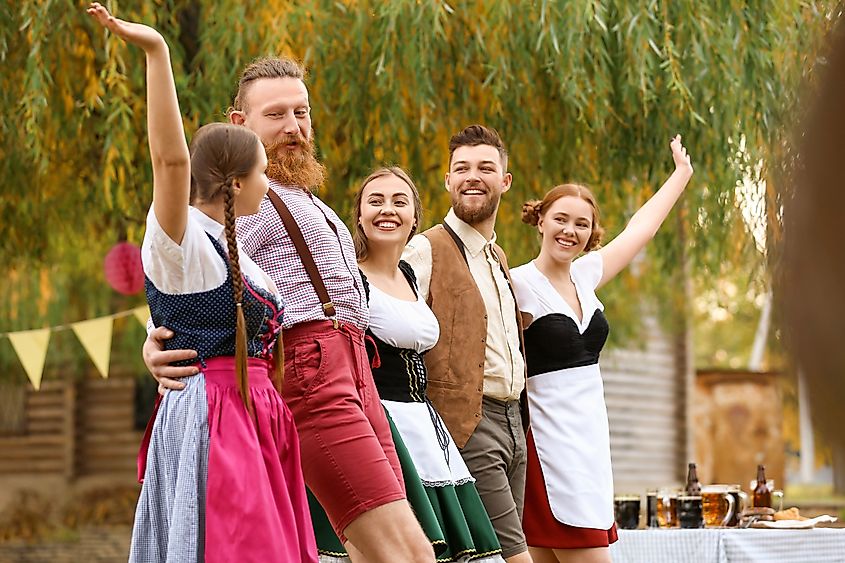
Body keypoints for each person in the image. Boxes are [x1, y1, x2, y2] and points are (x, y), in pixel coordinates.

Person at [141, 56, 434, 562]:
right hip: (307, 371)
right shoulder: (242, 199)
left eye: (301, 113)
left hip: (357, 369)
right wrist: (155, 338)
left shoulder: (307, 198)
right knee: (407, 552)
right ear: (240, 125)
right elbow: (190, 276)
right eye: (276, 115)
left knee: (373, 547)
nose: (293, 127)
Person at [86, 4, 317, 562]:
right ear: (235, 183)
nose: (269, 181)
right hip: (215, 416)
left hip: (257, 412)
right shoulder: (181, 246)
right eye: (261, 172)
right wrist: (156, 51)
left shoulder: (235, 253)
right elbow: (169, 161)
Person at [511, 136, 693, 563]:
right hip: (547, 441)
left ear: (591, 233)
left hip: (590, 440)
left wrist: (681, 174)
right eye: (561, 219)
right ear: (540, 221)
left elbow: (641, 229)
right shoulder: (515, 283)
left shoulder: (587, 276)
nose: (570, 231)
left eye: (581, 223)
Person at [403, 126, 531, 563]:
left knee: (489, 555)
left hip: (516, 423)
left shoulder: (498, 257)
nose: (472, 176)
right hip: (468, 424)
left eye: (485, 168)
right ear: (447, 180)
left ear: (505, 181)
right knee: (514, 556)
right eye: (462, 168)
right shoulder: (424, 249)